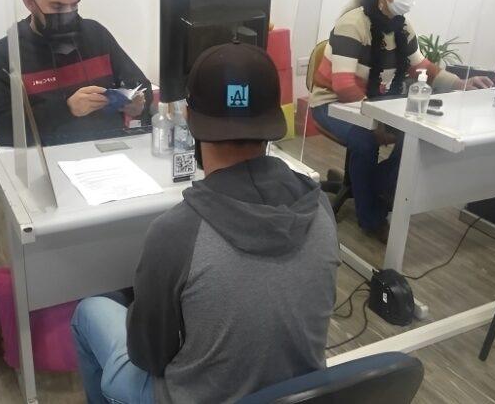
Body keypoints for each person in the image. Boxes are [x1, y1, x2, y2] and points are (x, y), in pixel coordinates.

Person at [70, 42, 341, 403]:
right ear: (273, 120)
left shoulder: (176, 231)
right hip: (301, 394)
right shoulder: (320, 204)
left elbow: (148, 357)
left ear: (189, 121)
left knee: (89, 311)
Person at [308, 0, 493, 240]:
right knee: (364, 139)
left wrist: (461, 84)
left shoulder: (402, 26)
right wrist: (378, 123)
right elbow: (344, 86)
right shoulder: (352, 24)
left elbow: (422, 68)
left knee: (414, 135)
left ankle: (375, 189)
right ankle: (370, 218)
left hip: (376, 105)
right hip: (332, 104)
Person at [0, 0, 150, 147]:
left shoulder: (95, 35)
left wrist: (137, 103)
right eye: (57, 7)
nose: (69, 14)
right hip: (48, 157)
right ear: (30, 2)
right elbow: (2, 130)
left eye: (74, 5)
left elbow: (142, 86)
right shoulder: (8, 53)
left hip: (110, 150)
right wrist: (66, 109)